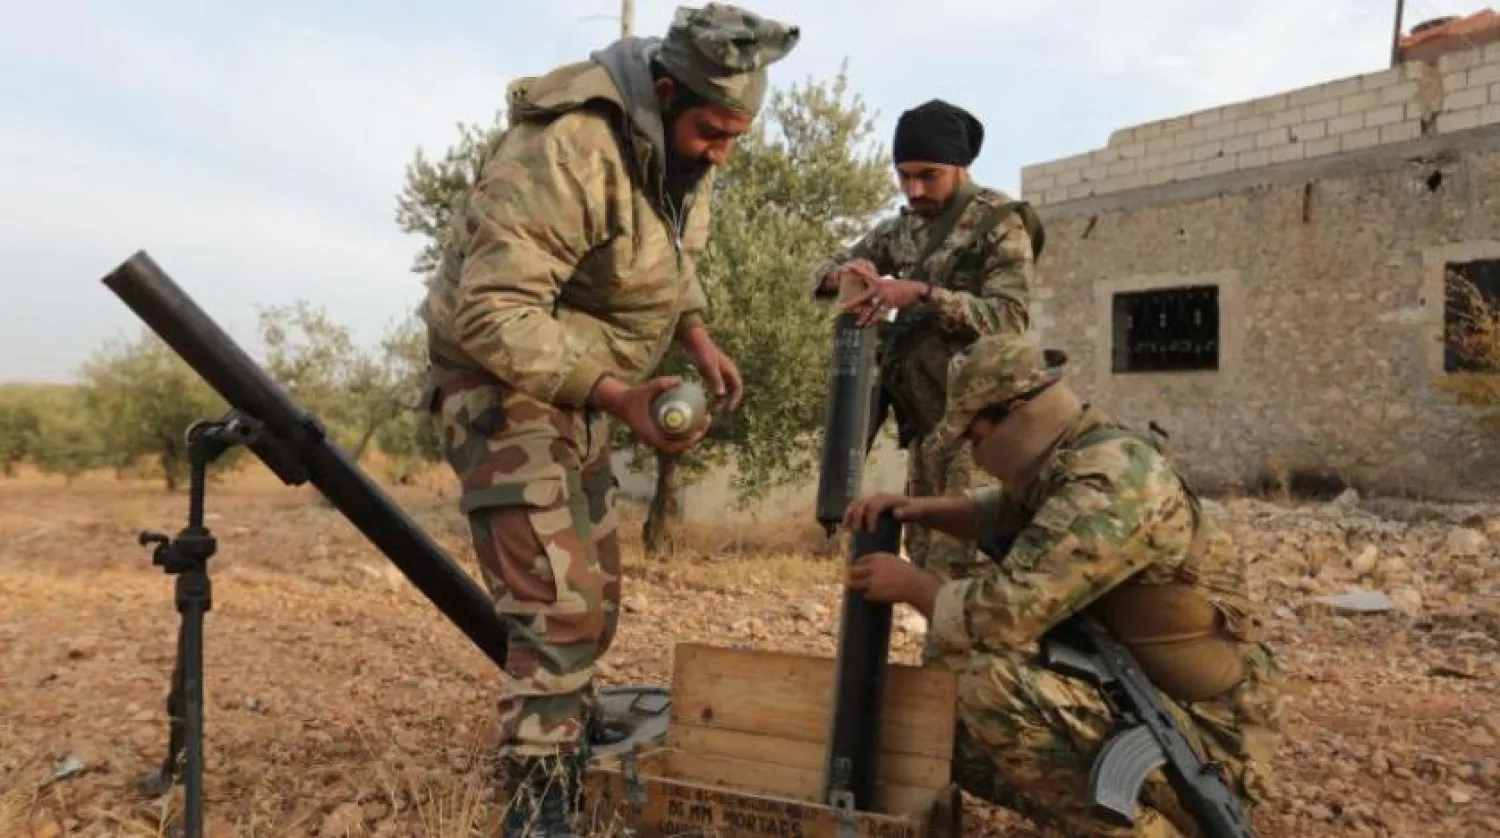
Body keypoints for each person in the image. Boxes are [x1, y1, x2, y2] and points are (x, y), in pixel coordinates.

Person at [418, 4, 800, 834]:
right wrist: (619, 395)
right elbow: (492, 314)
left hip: (572, 388)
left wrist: (696, 335)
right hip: (499, 387)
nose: (722, 153)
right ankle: (537, 807)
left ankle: (553, 738)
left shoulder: (673, 156)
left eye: (737, 135)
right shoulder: (566, 149)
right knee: (557, 606)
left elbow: (667, 255)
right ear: (664, 93)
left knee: (598, 602)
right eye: (711, 132)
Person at [841, 333, 1282, 837]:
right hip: (1152, 701)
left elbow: (1006, 613)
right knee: (951, 735)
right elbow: (1005, 513)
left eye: (974, 437)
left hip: (1210, 746)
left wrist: (911, 585)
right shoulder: (1076, 455)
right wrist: (921, 510)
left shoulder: (1111, 481)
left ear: (1010, 413)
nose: (976, 452)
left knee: (990, 682)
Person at [808, 99, 1043, 615]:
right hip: (927, 428)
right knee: (925, 564)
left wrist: (920, 295)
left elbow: (1008, 320)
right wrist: (846, 274)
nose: (915, 190)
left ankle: (973, 684)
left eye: (928, 176)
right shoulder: (904, 227)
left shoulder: (1000, 225)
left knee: (969, 569)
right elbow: (826, 267)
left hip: (980, 432)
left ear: (960, 166)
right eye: (904, 176)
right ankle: (941, 679)